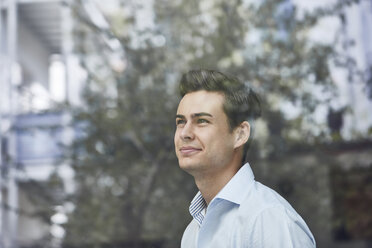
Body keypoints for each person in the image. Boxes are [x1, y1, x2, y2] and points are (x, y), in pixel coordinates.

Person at [174, 69, 316, 248]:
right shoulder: (192, 232)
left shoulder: (269, 218)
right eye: (180, 122)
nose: (185, 133)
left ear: (240, 135)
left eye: (201, 121)